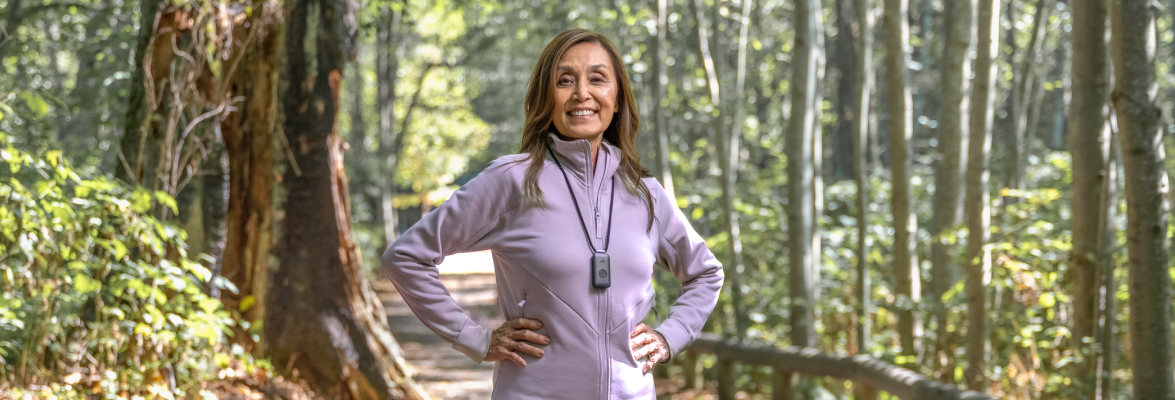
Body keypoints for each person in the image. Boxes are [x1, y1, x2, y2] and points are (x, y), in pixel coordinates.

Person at [381, 29, 724, 399]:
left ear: (618, 97)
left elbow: (706, 273)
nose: (582, 93)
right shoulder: (512, 181)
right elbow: (406, 257)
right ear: (547, 96)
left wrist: (669, 336)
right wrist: (475, 339)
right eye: (565, 80)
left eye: (597, 79)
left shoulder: (645, 193)